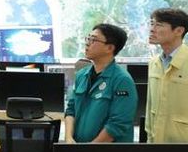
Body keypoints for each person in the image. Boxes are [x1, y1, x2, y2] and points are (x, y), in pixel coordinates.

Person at [64, 23, 137, 143]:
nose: (87, 43)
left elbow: (118, 124)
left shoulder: (122, 80)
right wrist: (68, 138)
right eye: (88, 38)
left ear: (110, 48)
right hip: (79, 147)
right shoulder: (81, 75)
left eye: (93, 40)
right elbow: (71, 110)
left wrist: (92, 148)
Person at [145, 8, 188, 143]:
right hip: (157, 142)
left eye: (159, 25)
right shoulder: (154, 63)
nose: (152, 29)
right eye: (152, 24)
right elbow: (150, 108)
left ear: (179, 31)